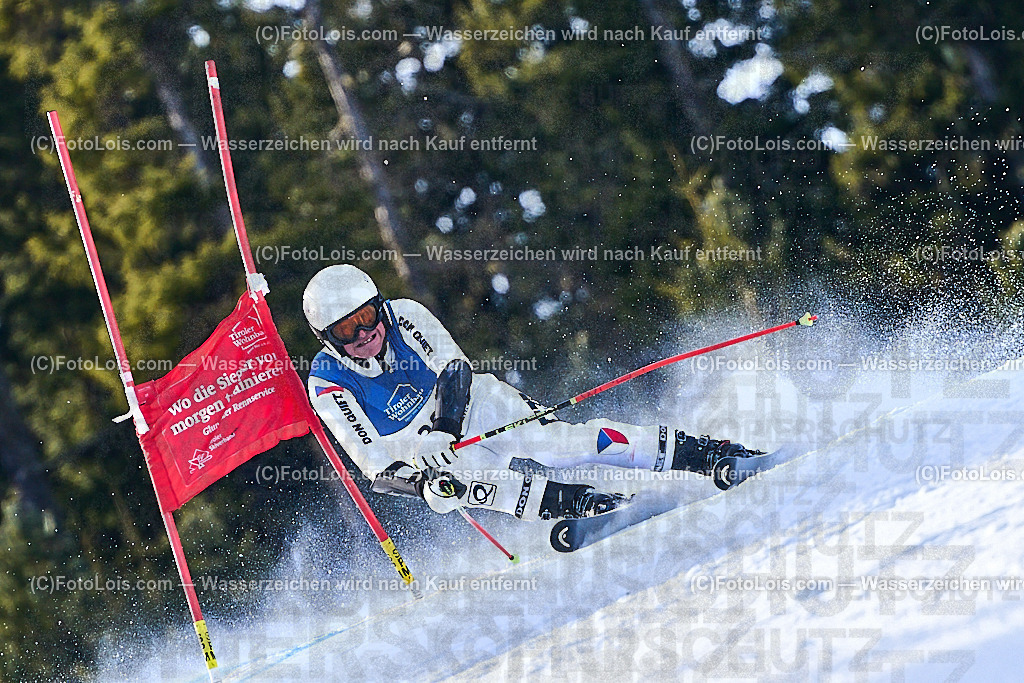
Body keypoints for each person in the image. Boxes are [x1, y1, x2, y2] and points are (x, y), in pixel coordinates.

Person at [304, 265, 762, 521]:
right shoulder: (327, 381)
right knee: (478, 486)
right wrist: (422, 485)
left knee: (559, 445)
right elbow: (375, 467)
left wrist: (445, 427)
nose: (364, 333)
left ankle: (702, 453)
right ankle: (586, 505)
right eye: (346, 329)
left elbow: (454, 367)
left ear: (379, 306)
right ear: (327, 337)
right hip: (426, 454)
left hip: (469, 408)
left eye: (366, 316)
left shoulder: (403, 315)